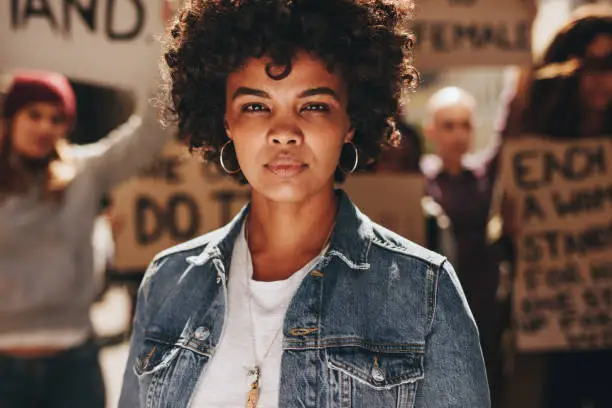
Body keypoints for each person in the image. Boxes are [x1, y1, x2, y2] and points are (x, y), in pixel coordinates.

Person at [119, 1, 490, 407]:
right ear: (226, 121)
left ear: (350, 122)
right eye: (255, 106)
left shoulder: (425, 293)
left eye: (314, 105)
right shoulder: (168, 281)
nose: (284, 132)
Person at [0, 70, 172, 408]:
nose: (45, 127)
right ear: (9, 118)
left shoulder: (85, 172)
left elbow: (153, 131)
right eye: (34, 114)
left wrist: (156, 54)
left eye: (57, 118)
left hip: (73, 365)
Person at [494, 6, 612, 408]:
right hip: (553, 328)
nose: (604, 80)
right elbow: (504, 229)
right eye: (591, 65)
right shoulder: (532, 145)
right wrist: (512, 232)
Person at [421, 86, 503, 406]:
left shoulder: (485, 177)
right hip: (432, 310)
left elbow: (509, 134)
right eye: (448, 125)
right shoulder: (416, 180)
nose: (458, 134)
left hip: (482, 304)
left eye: (465, 125)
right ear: (431, 130)